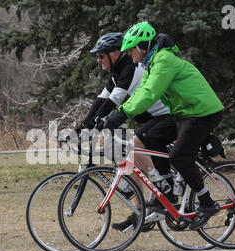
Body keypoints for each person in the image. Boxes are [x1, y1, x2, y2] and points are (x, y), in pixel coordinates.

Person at [105, 21, 224, 231]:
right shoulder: (151, 63)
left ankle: (208, 203)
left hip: (202, 112)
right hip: (184, 113)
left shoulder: (164, 61)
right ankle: (166, 192)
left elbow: (151, 94)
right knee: (149, 136)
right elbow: (143, 91)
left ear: (143, 47)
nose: (130, 54)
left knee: (179, 156)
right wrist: (120, 112)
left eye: (132, 50)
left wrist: (122, 113)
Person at [76, 32, 178, 215]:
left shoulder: (130, 68)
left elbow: (114, 101)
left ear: (115, 53)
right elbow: (102, 99)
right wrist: (82, 127)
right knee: (130, 159)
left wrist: (98, 124)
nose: (99, 60)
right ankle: (140, 213)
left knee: (132, 149)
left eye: (101, 55)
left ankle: (163, 187)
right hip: (152, 119)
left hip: (165, 117)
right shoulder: (117, 71)